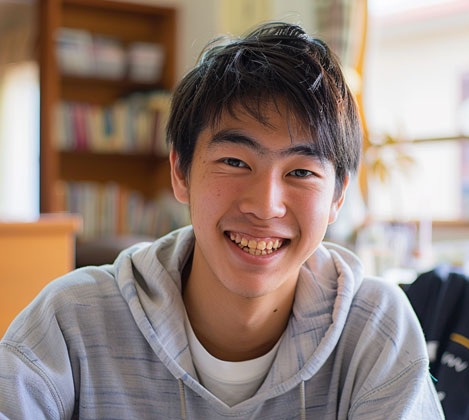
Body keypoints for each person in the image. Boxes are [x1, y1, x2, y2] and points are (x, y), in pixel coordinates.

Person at [0, 22, 443, 419]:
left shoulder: (374, 328)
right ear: (180, 172)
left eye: (301, 172)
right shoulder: (71, 320)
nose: (265, 206)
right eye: (234, 162)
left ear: (338, 196)